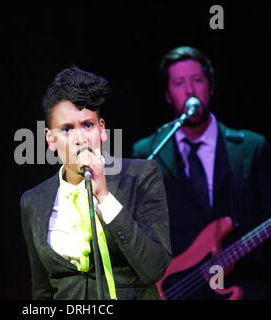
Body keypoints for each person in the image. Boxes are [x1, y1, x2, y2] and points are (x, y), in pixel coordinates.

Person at [132, 46, 271, 299]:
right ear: (167, 94)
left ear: (211, 87)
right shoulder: (147, 152)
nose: (189, 90)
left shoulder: (251, 147)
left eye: (197, 80)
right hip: (176, 289)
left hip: (244, 286)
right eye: (178, 83)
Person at [20, 66, 171, 300]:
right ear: (51, 139)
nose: (80, 139)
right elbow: (42, 290)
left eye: (87, 125)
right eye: (67, 129)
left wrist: (105, 197)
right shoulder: (34, 201)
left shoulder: (140, 176)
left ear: (101, 129)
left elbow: (155, 268)